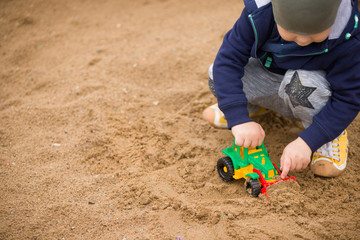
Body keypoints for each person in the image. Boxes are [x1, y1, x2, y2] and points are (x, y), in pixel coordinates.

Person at [203, 0, 360, 178]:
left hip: (307, 93)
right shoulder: (257, 15)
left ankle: (329, 136)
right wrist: (238, 117)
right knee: (217, 75)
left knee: (302, 82)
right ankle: (250, 108)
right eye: (291, 29)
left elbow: (348, 98)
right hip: (270, 78)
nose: (302, 40)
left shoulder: (349, 37)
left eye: (315, 32)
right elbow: (228, 61)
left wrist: (307, 142)